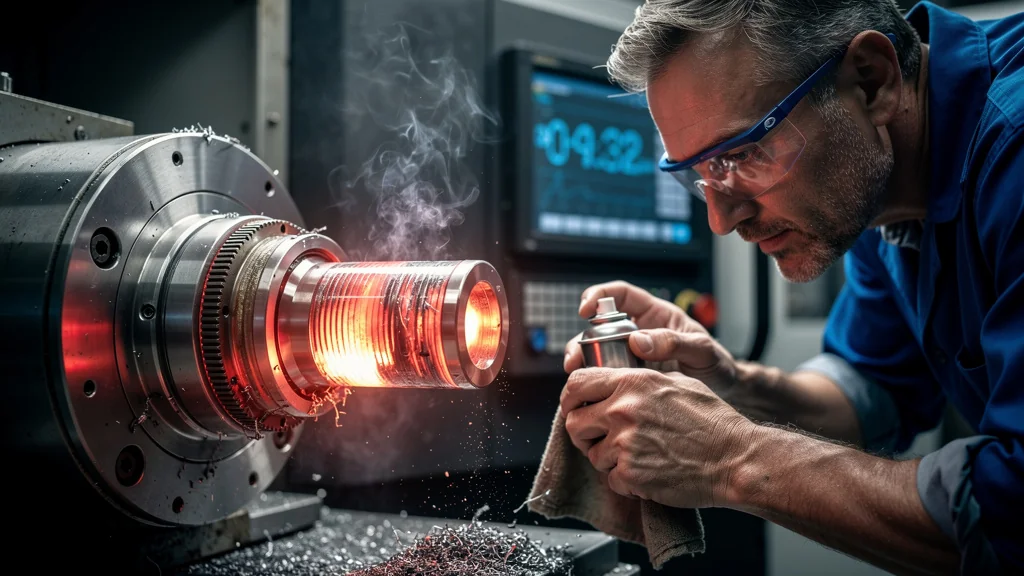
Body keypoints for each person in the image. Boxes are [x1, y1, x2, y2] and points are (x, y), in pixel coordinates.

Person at [560, 1, 1023, 574]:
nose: (721, 221)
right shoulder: (878, 191)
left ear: (871, 80)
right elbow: (872, 389)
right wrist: (731, 387)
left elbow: (1013, 514)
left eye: (742, 155)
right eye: (700, 176)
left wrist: (730, 457)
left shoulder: (1014, 149)